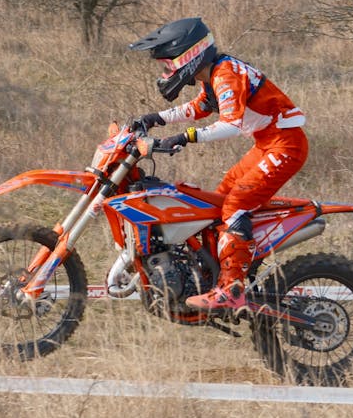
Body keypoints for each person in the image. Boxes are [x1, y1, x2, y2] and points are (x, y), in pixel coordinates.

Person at [128, 17, 308, 312]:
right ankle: (219, 270)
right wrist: (155, 118)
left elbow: (231, 125)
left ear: (188, 55)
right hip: (267, 142)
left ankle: (232, 288)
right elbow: (199, 107)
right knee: (220, 198)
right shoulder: (213, 74)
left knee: (235, 203)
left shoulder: (226, 74)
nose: (167, 72)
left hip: (285, 145)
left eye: (169, 64)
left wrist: (184, 137)